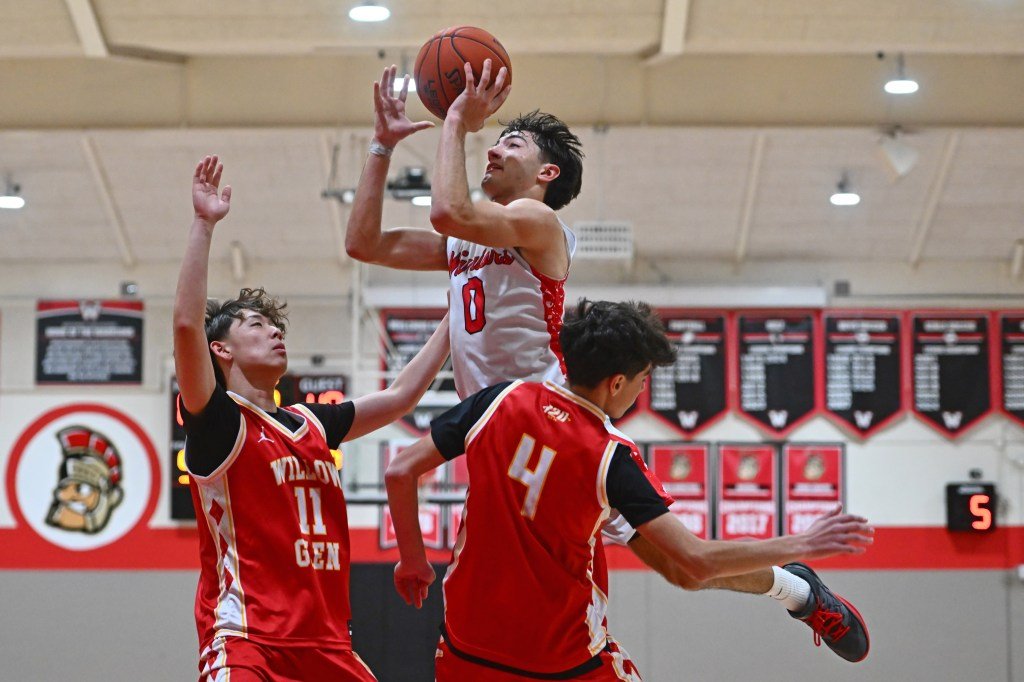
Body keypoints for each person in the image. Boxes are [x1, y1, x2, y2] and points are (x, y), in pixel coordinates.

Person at [384, 299, 873, 680]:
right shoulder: (611, 456)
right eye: (643, 380)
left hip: (466, 644)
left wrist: (412, 559)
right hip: (562, 659)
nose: (642, 391)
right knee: (685, 568)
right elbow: (698, 557)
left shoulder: (499, 400)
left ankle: (798, 591)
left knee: (677, 571)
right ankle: (797, 583)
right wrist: (803, 540)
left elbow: (401, 471)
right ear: (617, 382)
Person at [174, 155, 451, 681]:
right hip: (248, 641)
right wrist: (204, 224)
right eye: (255, 325)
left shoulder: (314, 424)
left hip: (328, 644)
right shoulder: (219, 423)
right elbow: (187, 326)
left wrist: (459, 308)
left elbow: (401, 396)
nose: (275, 332)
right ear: (221, 350)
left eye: (275, 326)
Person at [345, 62, 583, 398]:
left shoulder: (539, 219)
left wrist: (455, 120)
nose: (493, 151)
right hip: (485, 410)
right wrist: (381, 146)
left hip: (542, 402)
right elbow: (364, 245)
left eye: (513, 145)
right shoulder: (462, 241)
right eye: (498, 144)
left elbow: (448, 213)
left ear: (547, 173)